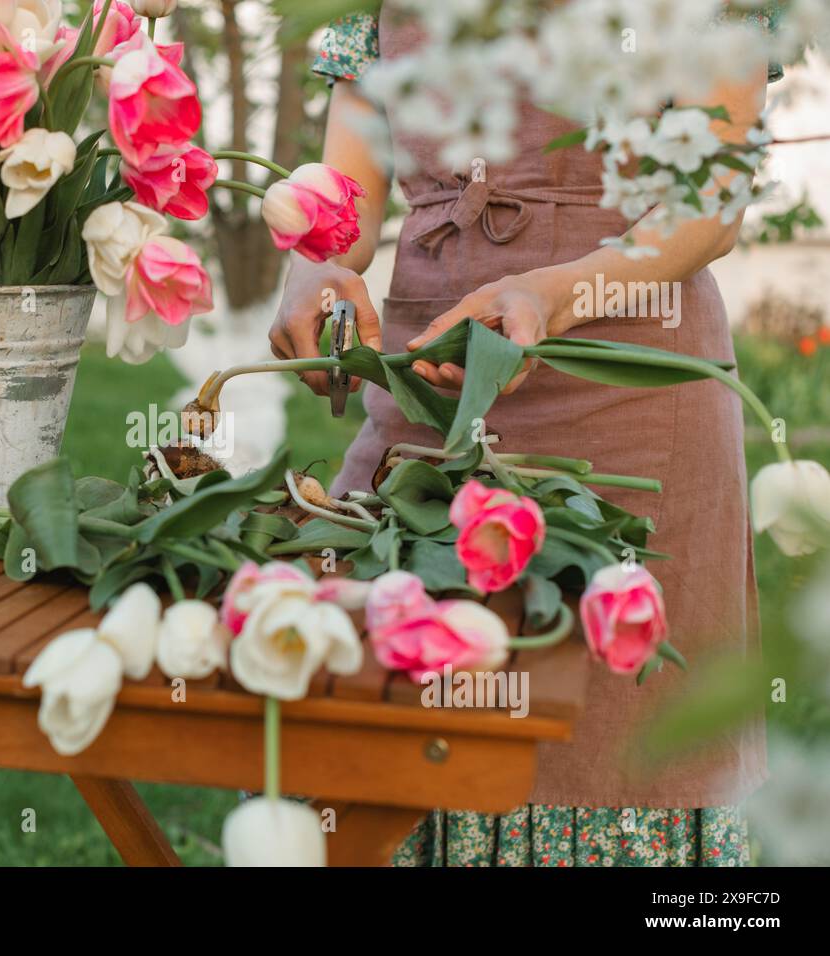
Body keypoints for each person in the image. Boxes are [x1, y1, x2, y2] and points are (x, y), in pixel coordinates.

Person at [271, 6, 784, 866]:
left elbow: (711, 195)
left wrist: (552, 295)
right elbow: (345, 188)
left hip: (628, 386)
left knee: (613, 745)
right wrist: (314, 264)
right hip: (427, 387)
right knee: (373, 727)